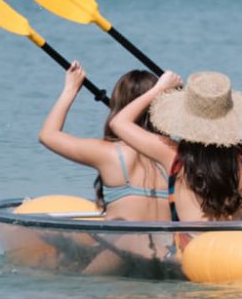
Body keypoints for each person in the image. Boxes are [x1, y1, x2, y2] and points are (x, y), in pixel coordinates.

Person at [109, 70, 242, 221]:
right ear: (230, 119)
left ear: (187, 120)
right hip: (234, 252)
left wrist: (159, 89)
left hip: (190, 254)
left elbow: (118, 123)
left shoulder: (172, 154)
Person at [37, 63, 175, 221]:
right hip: (165, 245)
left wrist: (71, 88)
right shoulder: (173, 154)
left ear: (118, 106)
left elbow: (47, 135)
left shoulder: (110, 154)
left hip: (121, 246)